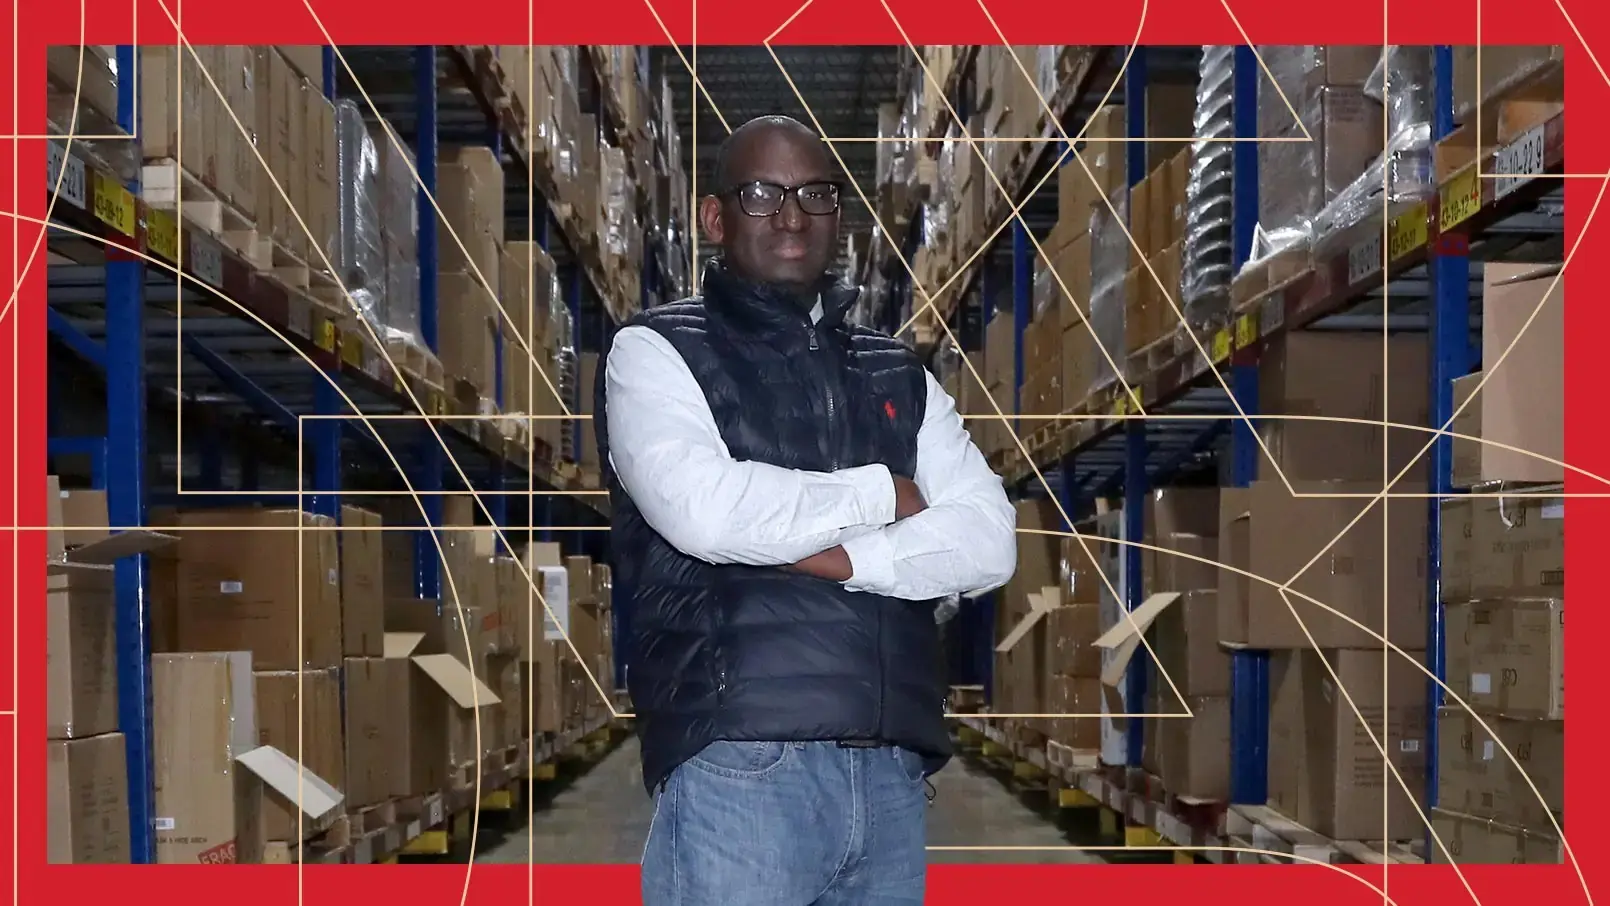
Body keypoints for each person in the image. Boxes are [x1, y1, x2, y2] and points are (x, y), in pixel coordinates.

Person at [594, 114, 1017, 906]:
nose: (791, 215)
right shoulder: (654, 352)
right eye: (763, 193)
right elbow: (707, 512)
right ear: (716, 218)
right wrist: (882, 496)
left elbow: (990, 540)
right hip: (742, 768)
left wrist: (847, 557)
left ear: (837, 214)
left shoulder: (898, 372)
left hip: (890, 773)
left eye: (814, 194)